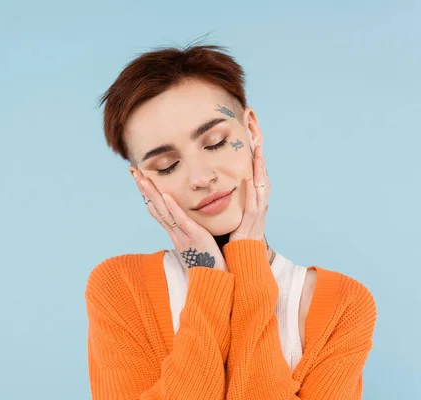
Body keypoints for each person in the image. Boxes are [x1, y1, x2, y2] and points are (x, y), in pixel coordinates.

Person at [84, 44, 376, 399]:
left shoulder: (341, 304)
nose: (201, 177)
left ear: (251, 129)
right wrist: (206, 275)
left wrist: (248, 264)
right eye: (167, 166)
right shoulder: (121, 288)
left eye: (216, 142)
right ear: (142, 181)